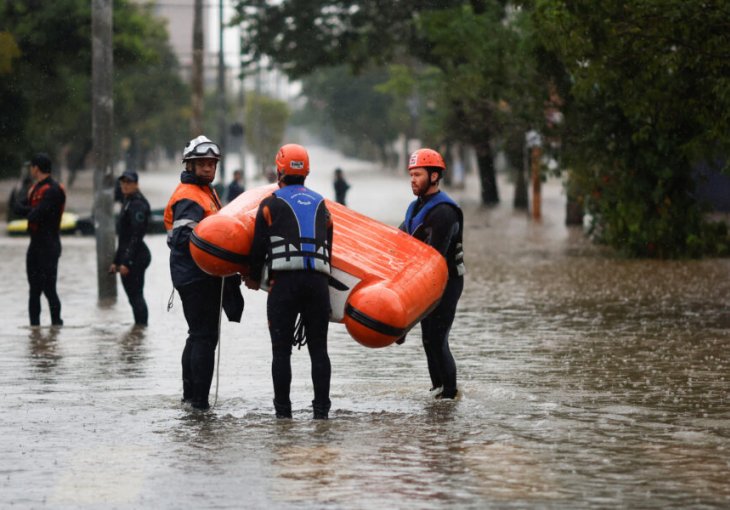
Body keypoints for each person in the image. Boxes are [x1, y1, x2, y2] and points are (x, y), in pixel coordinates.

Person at [245, 143, 333, 420]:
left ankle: (283, 416)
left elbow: (258, 247)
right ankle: (321, 414)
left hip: (284, 285)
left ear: (279, 169)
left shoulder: (270, 204)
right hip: (318, 285)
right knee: (319, 350)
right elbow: (330, 245)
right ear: (306, 171)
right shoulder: (322, 204)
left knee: (281, 352)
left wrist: (250, 277)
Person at [164, 135, 244, 411]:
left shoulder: (204, 191)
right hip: (197, 277)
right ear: (190, 165)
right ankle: (199, 404)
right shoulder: (189, 196)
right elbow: (187, 239)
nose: (209, 168)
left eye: (212, 164)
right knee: (204, 337)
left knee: (196, 335)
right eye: (203, 164)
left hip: (198, 275)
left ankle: (190, 398)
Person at [399, 148, 465, 399]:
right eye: (411, 174)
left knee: (438, 337)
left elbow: (434, 257)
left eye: (418, 174)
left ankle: (449, 395)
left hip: (447, 282)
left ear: (434, 176)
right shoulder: (415, 209)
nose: (413, 179)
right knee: (427, 339)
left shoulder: (444, 212)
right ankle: (437, 391)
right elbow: (400, 241)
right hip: (425, 280)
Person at [13, 153, 66, 327]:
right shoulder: (34, 189)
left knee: (49, 289)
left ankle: (56, 327)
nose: (30, 170)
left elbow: (38, 213)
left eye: (31, 167)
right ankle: (34, 331)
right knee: (34, 290)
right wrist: (31, 210)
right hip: (35, 244)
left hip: (49, 244)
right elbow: (17, 207)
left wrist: (30, 210)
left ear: (36, 168)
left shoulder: (54, 189)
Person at [109, 170, 151, 327]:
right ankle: (138, 332)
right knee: (132, 296)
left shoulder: (138, 204)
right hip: (129, 254)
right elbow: (123, 238)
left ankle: (141, 329)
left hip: (137, 256)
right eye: (123, 182)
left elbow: (136, 236)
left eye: (129, 182)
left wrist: (127, 262)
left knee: (136, 295)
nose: (125, 185)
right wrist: (116, 261)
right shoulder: (127, 201)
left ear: (136, 184)